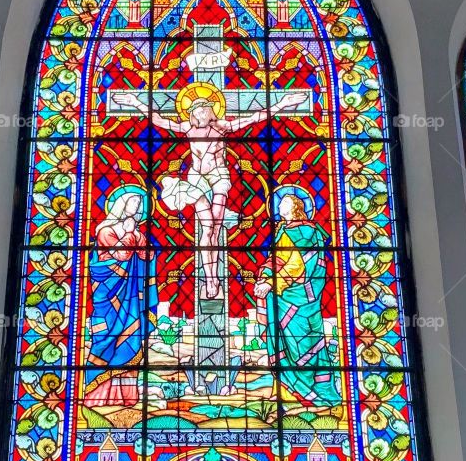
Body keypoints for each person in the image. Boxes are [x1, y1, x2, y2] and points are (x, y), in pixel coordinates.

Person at [125, 84, 296, 299]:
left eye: (204, 111)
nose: (201, 115)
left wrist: (282, 104)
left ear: (210, 111)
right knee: (207, 230)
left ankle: (213, 277)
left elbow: (253, 118)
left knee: (214, 228)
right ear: (192, 114)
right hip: (196, 178)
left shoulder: (222, 127)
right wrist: (136, 103)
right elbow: (158, 120)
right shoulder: (187, 128)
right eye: (197, 112)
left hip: (218, 177)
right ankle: (210, 278)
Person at [254, 193, 341, 408]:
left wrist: (271, 283)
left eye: (284, 202)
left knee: (305, 344)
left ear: (295, 207)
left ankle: (315, 393)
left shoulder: (308, 232)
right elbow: (277, 260)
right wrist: (265, 276)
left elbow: (298, 266)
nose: (279, 205)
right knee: (282, 341)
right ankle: (286, 392)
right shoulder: (283, 231)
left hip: (300, 297)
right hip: (285, 294)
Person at [85, 191, 155, 406]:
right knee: (106, 338)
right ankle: (97, 396)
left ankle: (126, 397)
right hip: (107, 294)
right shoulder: (105, 231)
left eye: (139, 203)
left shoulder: (137, 233)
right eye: (133, 202)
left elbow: (148, 256)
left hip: (131, 296)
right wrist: (130, 234)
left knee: (131, 339)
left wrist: (136, 237)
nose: (137, 206)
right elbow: (121, 255)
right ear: (121, 205)